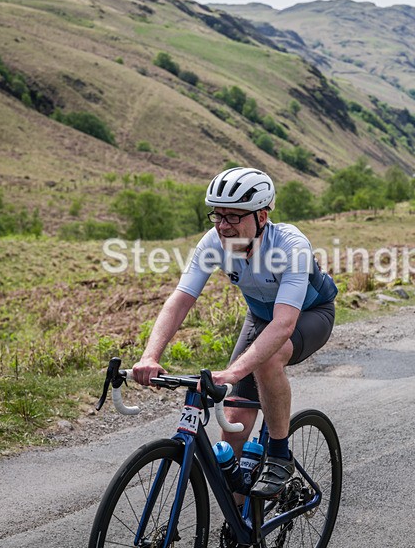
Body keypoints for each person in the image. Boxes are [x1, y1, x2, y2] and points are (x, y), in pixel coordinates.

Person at [131, 167, 338, 503]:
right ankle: (238, 529)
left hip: (310, 315)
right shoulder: (214, 241)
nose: (223, 226)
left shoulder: (291, 245)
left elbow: (284, 324)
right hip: (260, 316)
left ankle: (281, 453)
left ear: (262, 215)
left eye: (234, 216)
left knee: (269, 359)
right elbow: (181, 299)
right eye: (218, 215)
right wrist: (149, 356)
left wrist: (232, 372)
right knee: (234, 426)